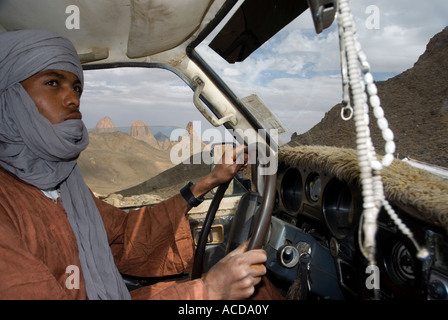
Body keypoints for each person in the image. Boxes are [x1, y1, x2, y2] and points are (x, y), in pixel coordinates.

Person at [0, 29, 282, 300]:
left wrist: (208, 182)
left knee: (262, 289)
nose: (74, 98)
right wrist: (208, 291)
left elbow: (123, 234)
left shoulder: (64, 182)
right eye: (52, 83)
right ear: (9, 97)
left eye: (76, 87)